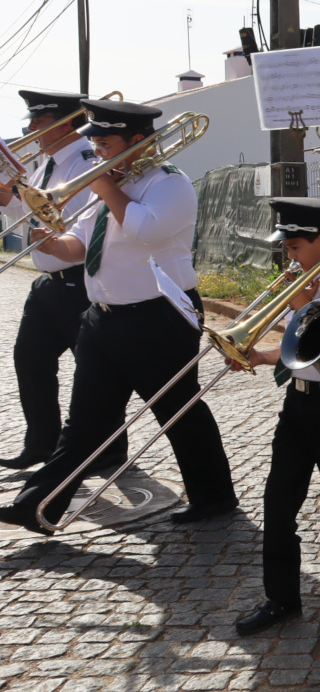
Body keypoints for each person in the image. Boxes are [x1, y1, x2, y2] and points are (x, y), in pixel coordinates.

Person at [0, 99, 238, 535]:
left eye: (107, 143)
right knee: (84, 421)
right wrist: (54, 246)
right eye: (96, 143)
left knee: (177, 410)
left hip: (159, 316)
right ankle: (38, 505)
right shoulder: (109, 184)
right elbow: (79, 246)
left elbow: (147, 229)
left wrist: (108, 189)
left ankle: (215, 496)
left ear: (137, 141)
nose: (99, 153)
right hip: (104, 316)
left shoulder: (169, 183)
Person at [230, 198, 320, 635]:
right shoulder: (305, 284)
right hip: (298, 405)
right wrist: (257, 355)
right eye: (286, 248)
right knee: (278, 501)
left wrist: (302, 301)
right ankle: (281, 597)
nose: (288, 257)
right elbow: (295, 357)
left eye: (295, 247)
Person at [0, 90, 126, 472]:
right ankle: (42, 444)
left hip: (77, 278)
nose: (31, 129)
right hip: (47, 283)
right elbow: (24, 211)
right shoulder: (45, 166)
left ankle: (110, 448)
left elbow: (75, 220)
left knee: (94, 369)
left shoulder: (85, 162)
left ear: (65, 123)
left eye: (39, 121)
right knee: (30, 360)